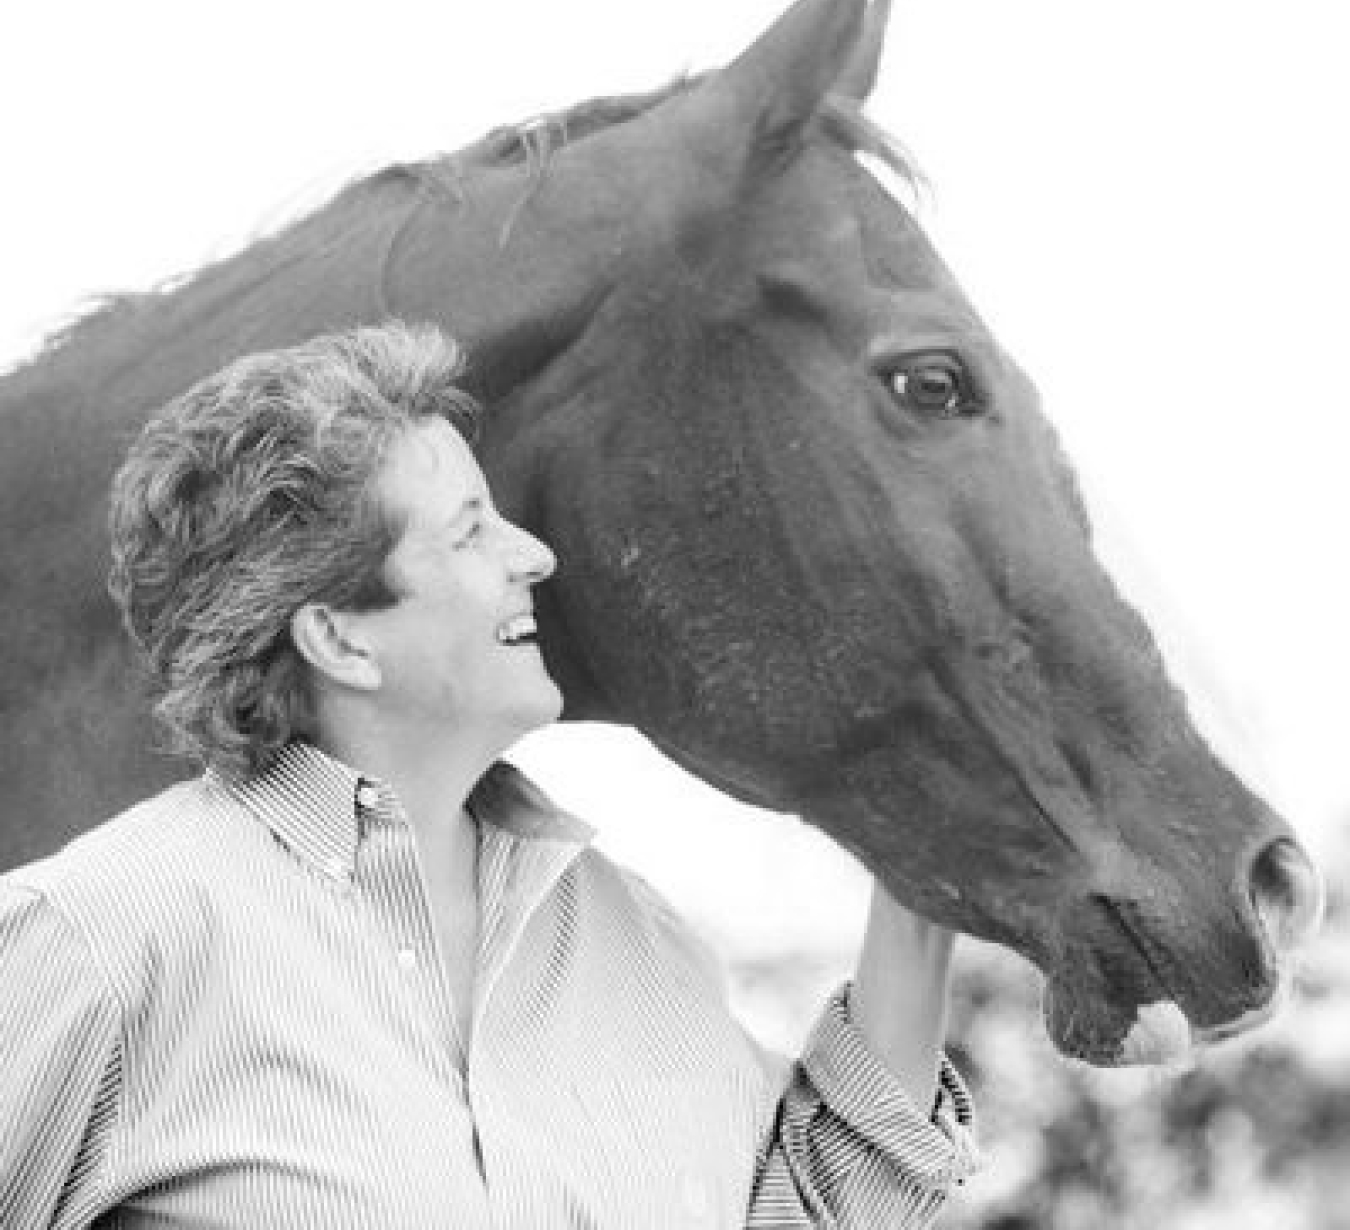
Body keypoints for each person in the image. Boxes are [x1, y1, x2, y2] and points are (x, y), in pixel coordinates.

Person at [0, 322, 978, 1228]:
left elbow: (817, 1210)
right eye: (471, 530)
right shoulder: (99, 940)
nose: (536, 555)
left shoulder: (632, 939)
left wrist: (924, 878)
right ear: (339, 637)